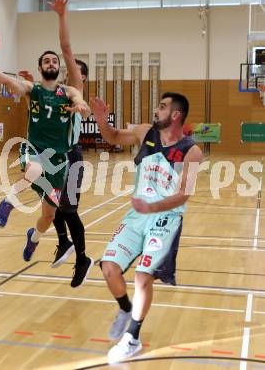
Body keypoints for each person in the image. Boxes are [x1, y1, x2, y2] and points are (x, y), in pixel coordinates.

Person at [90, 93, 203, 363]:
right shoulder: (144, 132)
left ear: (175, 115)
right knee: (109, 268)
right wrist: (102, 120)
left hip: (166, 218)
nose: (156, 109)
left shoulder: (192, 151)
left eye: (162, 107)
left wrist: (152, 208)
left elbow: (184, 195)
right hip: (137, 215)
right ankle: (126, 308)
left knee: (143, 277)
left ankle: (132, 338)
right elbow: (114, 137)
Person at [0, 44, 90, 265]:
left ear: (58, 68)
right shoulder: (32, 90)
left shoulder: (68, 92)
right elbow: (5, 80)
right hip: (34, 148)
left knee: (48, 216)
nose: (51, 63)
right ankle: (7, 202)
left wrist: (82, 108)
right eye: (47, 61)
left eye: (54, 61)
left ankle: (33, 238)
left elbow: (82, 103)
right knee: (34, 169)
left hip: (59, 159)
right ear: (40, 67)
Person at [48, 0, 94, 288]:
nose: (68, 73)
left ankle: (82, 258)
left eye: (74, 71)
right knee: (50, 204)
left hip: (72, 156)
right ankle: (63, 242)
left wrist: (62, 16)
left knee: (68, 210)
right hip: (54, 154)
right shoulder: (57, 93)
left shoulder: (75, 88)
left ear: (82, 78)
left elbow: (65, 48)